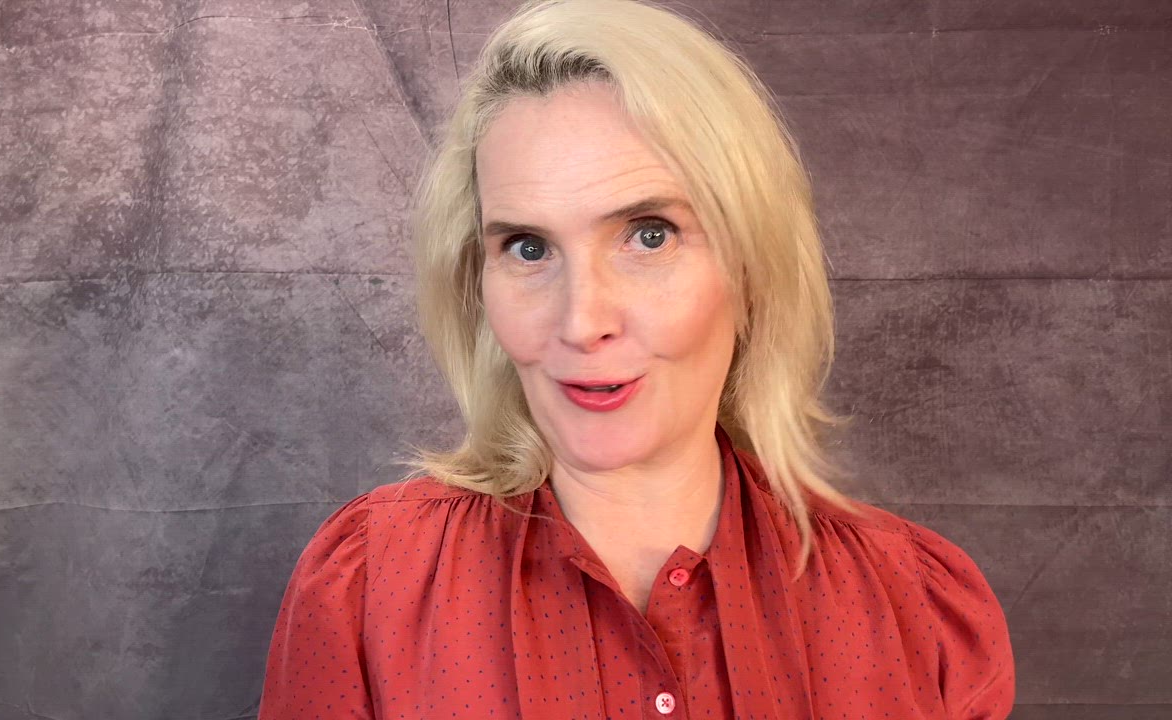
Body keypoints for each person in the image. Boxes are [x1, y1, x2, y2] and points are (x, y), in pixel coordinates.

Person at [257, 0, 1016, 717]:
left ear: (751, 264)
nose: (582, 322)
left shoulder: (917, 612)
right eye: (528, 248)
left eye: (650, 235)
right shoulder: (370, 589)